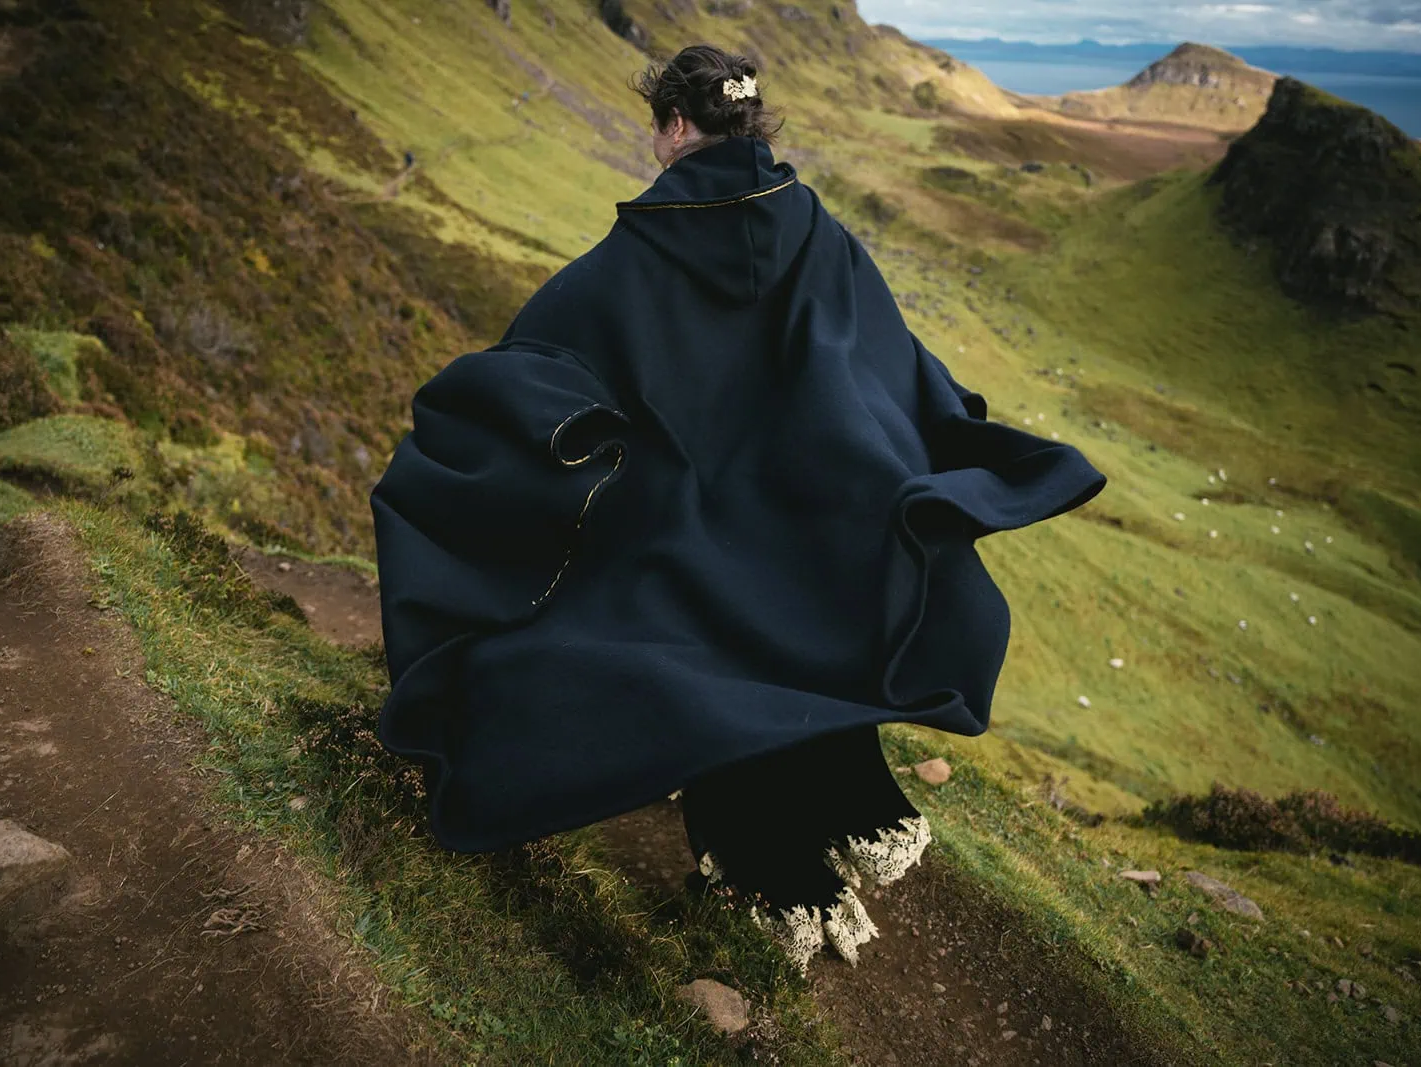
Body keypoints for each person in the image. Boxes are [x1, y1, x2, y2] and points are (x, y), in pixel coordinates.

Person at [371, 44, 1107, 972]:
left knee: (676, 611)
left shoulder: (636, 253)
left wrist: (504, 411)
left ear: (678, 125)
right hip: (811, 515)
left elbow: (548, 351)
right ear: (749, 122)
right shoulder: (812, 224)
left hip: (691, 519)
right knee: (793, 623)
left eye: (657, 125)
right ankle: (837, 815)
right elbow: (880, 352)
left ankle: (764, 864)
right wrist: (929, 431)